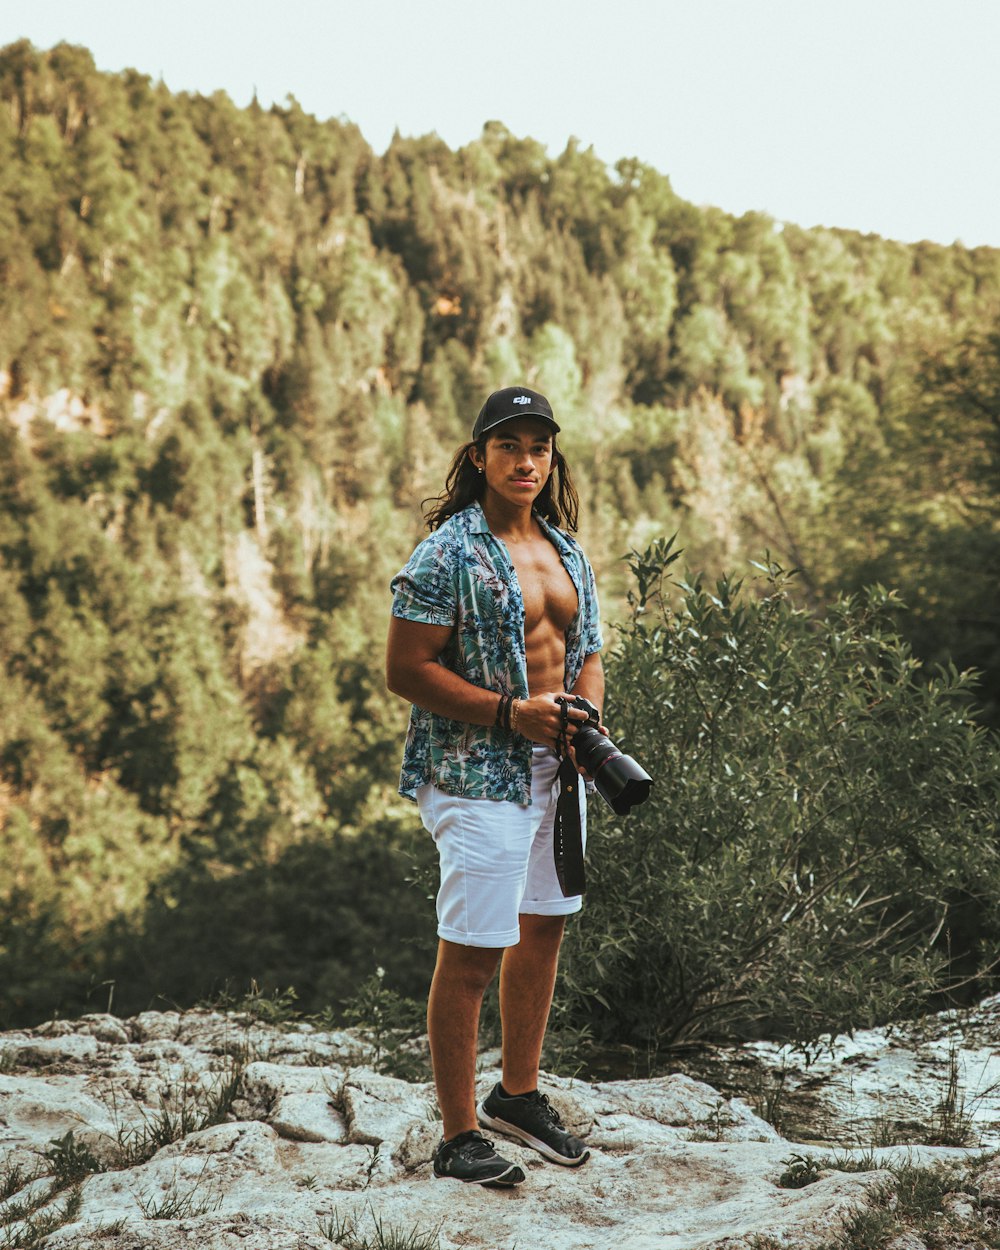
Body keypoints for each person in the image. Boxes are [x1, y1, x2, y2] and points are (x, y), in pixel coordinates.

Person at [386, 385, 604, 1188]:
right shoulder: (446, 553)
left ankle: (517, 1094)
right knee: (476, 949)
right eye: (508, 444)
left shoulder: (566, 549)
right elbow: (405, 671)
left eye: (538, 446)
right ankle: (457, 1136)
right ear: (478, 456)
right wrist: (513, 714)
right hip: (476, 772)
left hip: (556, 766)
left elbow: (588, 652)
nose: (526, 460)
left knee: (543, 928)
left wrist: (589, 731)